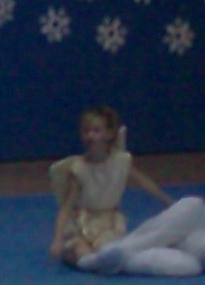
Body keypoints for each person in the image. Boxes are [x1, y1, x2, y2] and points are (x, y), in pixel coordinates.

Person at [48, 106, 169, 266]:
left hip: (108, 223)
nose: (90, 135)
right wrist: (57, 239)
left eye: (96, 131)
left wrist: (168, 201)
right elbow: (66, 208)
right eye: (86, 131)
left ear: (109, 134)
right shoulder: (79, 169)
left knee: (107, 252)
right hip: (82, 223)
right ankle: (78, 252)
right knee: (82, 253)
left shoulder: (121, 162)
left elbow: (143, 182)